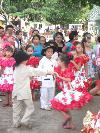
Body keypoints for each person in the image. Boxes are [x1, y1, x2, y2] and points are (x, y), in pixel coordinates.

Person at [12, 50, 54, 128]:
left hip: (16, 92)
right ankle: (24, 120)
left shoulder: (15, 68)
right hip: (25, 92)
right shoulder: (27, 69)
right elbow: (37, 71)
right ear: (24, 60)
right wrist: (49, 72)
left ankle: (16, 123)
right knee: (30, 108)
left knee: (16, 109)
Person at [51, 54, 92, 129]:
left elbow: (69, 79)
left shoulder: (68, 69)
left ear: (62, 62)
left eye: (58, 60)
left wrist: (59, 77)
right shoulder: (59, 70)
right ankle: (71, 124)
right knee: (65, 108)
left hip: (67, 91)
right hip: (64, 91)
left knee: (54, 103)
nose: (57, 62)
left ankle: (66, 116)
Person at [38, 42, 57, 111]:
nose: (50, 53)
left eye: (51, 51)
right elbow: (39, 70)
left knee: (51, 93)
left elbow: (56, 69)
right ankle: (43, 105)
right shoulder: (42, 61)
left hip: (52, 79)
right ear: (45, 52)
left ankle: (50, 104)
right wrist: (39, 79)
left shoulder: (54, 61)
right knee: (44, 93)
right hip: (44, 79)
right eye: (48, 51)